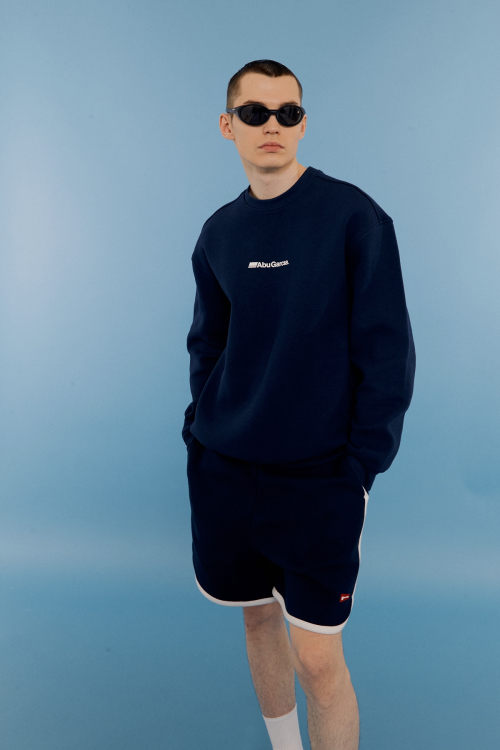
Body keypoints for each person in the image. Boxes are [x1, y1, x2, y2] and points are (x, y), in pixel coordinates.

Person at [182, 59, 416, 750]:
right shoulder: (219, 232)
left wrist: (361, 465)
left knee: (317, 657)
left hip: (320, 479)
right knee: (256, 618)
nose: (272, 125)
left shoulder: (353, 217)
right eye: (255, 113)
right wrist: (202, 431)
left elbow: (387, 350)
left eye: (288, 113)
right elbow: (208, 344)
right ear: (227, 125)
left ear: (304, 124)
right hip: (227, 473)